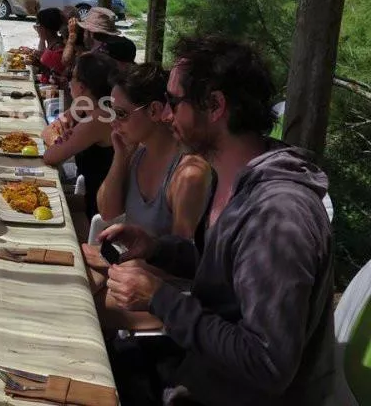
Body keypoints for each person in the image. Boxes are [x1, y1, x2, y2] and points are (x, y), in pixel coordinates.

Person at [101, 36, 334, 406]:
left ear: (214, 105)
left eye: (174, 102)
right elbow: (229, 272)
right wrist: (158, 249)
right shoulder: (236, 179)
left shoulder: (277, 217)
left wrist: (161, 299)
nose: (166, 115)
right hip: (198, 370)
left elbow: (268, 363)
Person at [96, 63, 210, 239]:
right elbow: (107, 212)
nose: (113, 122)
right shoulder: (136, 155)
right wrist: (120, 157)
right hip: (127, 256)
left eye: (121, 114)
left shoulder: (187, 173)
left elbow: (180, 251)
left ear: (154, 111)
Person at [42, 52, 115, 222]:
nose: (69, 82)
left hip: (99, 213)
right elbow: (47, 132)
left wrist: (59, 144)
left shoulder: (99, 118)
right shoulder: (85, 105)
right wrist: (59, 140)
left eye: (71, 77)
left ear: (81, 86)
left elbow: (50, 156)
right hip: (89, 197)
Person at [33, 8, 67, 85]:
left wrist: (39, 65)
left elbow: (56, 78)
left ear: (44, 28)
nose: (36, 29)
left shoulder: (57, 49)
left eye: (37, 26)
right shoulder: (52, 44)